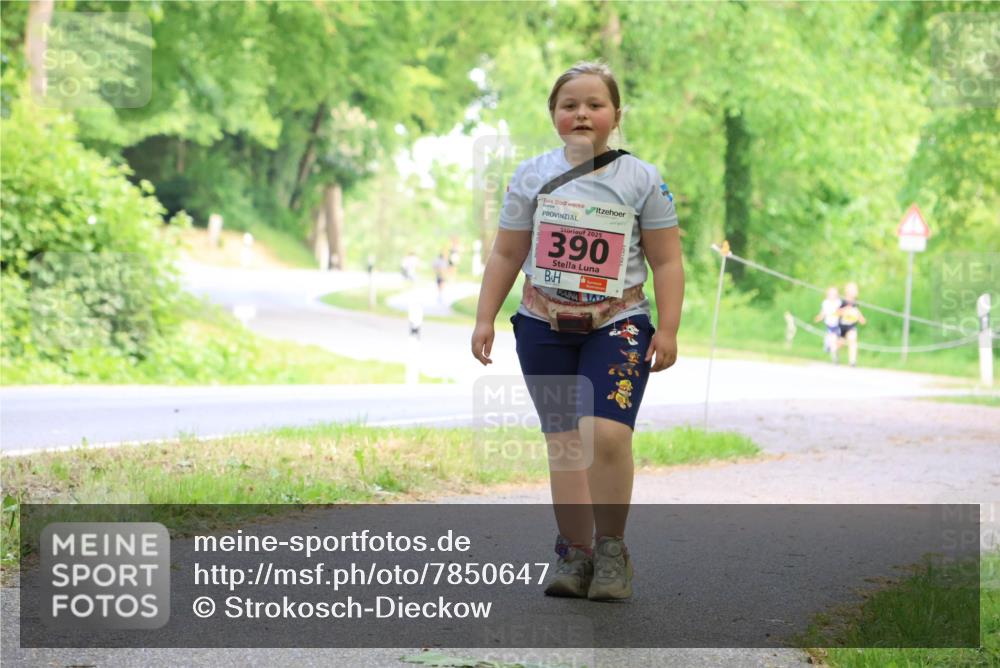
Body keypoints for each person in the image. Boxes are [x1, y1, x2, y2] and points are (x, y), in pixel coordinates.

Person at [470, 61, 684, 601]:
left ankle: (612, 552)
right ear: (553, 115)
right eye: (570, 105)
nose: (582, 113)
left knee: (605, 436)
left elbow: (667, 261)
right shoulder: (529, 175)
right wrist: (484, 317)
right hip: (544, 324)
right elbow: (507, 251)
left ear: (615, 114)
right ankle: (574, 554)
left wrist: (671, 328)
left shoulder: (643, 178)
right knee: (565, 445)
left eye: (595, 104)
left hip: (618, 322)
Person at [837, 282, 866, 367]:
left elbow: (857, 311)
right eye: (852, 290)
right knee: (840, 343)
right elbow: (837, 312)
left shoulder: (856, 302)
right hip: (842, 326)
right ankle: (835, 353)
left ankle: (852, 361)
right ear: (847, 291)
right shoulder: (842, 301)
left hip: (851, 326)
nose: (854, 292)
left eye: (855, 290)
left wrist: (861, 318)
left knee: (852, 340)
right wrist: (846, 309)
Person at [814, 286, 841, 363]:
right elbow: (823, 313)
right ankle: (834, 358)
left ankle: (830, 347)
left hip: (838, 325)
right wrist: (819, 317)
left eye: (834, 294)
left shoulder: (839, 302)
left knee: (836, 341)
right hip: (829, 325)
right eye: (831, 294)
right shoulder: (825, 303)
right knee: (833, 339)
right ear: (828, 295)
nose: (832, 295)